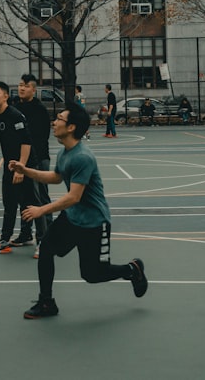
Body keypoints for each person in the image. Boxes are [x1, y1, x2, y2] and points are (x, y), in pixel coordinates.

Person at [8, 103, 148, 319]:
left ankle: (132, 270)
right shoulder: (65, 152)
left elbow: (74, 196)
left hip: (93, 223)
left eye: (59, 119)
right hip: (72, 217)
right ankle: (47, 302)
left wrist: (41, 210)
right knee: (46, 248)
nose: (54, 122)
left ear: (71, 127)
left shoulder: (83, 157)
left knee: (92, 275)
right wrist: (25, 170)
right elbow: (56, 177)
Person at [0, 80, 34, 255]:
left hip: (24, 166)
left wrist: (21, 167)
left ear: (5, 96)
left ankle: (42, 240)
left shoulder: (15, 115)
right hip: (10, 166)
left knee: (30, 203)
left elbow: (26, 142)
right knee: (10, 203)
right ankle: (9, 239)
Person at [13, 74, 52, 256]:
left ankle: (46, 237)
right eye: (20, 85)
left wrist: (32, 161)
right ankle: (25, 233)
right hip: (23, 160)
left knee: (41, 197)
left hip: (39, 158)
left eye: (26, 86)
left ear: (33, 89)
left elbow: (40, 137)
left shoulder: (40, 109)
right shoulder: (16, 108)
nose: (22, 88)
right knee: (24, 197)